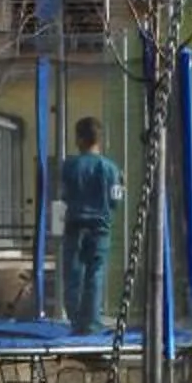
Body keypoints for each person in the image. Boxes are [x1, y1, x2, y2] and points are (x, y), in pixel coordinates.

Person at [59, 118, 123, 333]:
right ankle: (92, 321)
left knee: (74, 273)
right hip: (100, 227)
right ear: (99, 139)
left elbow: (65, 196)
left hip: (75, 225)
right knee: (95, 273)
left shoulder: (70, 166)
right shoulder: (111, 169)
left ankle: (76, 319)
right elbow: (116, 200)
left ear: (79, 139)